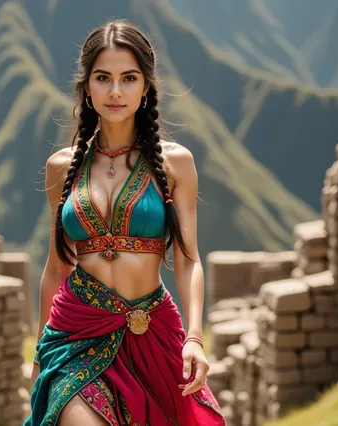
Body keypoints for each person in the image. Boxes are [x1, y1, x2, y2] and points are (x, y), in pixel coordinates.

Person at [24, 19, 226, 426]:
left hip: (153, 329)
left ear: (146, 87)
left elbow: (188, 261)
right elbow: (56, 266)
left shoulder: (176, 163)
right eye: (103, 78)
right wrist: (41, 353)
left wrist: (195, 338)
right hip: (76, 330)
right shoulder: (61, 168)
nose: (115, 91)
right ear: (87, 87)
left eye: (128, 78)